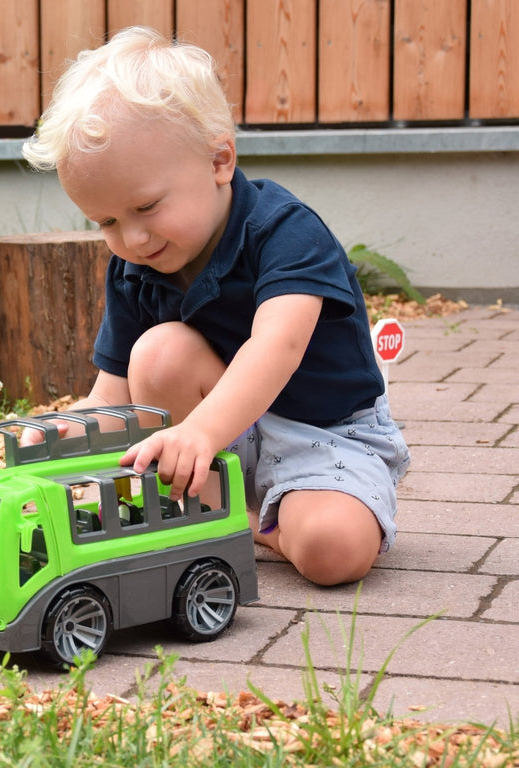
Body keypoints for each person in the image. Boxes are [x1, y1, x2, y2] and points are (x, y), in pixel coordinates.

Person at [20, 26, 410, 586]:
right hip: (215, 441)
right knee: (158, 353)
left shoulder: (285, 231)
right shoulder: (136, 266)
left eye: (146, 207)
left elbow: (277, 346)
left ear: (219, 160)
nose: (132, 239)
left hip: (323, 433)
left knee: (333, 552)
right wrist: (66, 432)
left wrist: (200, 432)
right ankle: (214, 509)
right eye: (106, 221)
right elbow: (112, 396)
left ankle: (241, 521)